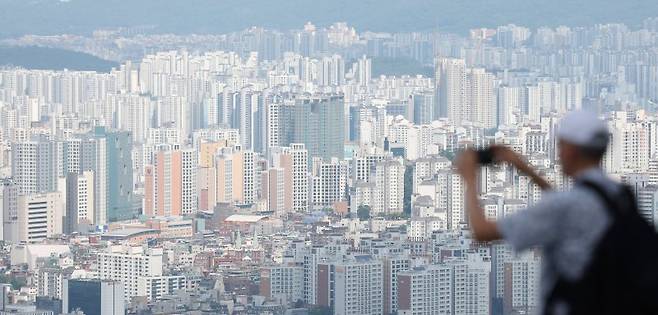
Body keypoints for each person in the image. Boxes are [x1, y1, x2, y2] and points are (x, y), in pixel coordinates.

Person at [456, 111, 621, 315]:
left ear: (571, 151)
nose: (558, 153)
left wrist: (470, 178)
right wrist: (524, 168)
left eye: (560, 146)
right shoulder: (618, 195)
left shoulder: (565, 206)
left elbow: (482, 232)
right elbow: (567, 208)